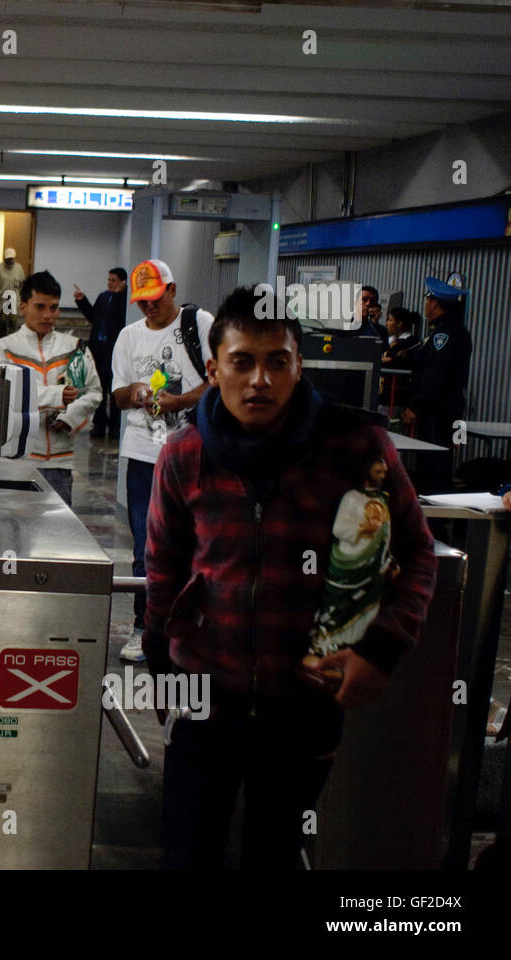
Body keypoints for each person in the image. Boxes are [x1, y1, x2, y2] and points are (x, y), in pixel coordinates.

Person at [145, 285, 436, 869]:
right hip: (206, 700)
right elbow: (161, 568)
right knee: (185, 854)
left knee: (274, 854)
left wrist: (379, 651)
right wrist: (162, 664)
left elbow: (419, 554)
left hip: (303, 706)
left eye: (278, 362)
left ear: (299, 365)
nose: (260, 380)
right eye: (242, 362)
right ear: (213, 368)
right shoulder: (184, 454)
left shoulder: (356, 446)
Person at [110, 259, 214, 663]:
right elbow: (117, 396)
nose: (149, 307)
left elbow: (217, 380)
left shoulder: (199, 323)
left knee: (198, 539)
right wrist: (136, 392)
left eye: (155, 298)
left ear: (171, 289)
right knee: (145, 545)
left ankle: (192, 627)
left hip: (194, 452)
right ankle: (145, 627)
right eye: (142, 302)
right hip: (143, 453)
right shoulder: (128, 337)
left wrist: (180, 401)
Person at [0, 270, 100, 507]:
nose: (48, 315)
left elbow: (93, 391)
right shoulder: (3, 349)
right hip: (15, 461)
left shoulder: (74, 348)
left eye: (54, 308)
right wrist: (58, 395)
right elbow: (8, 396)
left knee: (57, 539)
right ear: (23, 306)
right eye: (40, 307)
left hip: (59, 463)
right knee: (12, 536)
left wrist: (68, 417)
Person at [401, 276, 472, 494]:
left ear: (435, 303)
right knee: (440, 458)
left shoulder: (444, 334)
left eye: (427, 299)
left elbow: (436, 374)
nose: (425, 304)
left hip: (438, 410)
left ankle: (435, 519)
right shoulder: (453, 330)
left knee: (434, 461)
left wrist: (416, 406)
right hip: (447, 407)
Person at [74, 267, 128, 439]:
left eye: (113, 280)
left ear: (122, 282)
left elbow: (122, 317)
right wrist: (82, 301)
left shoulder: (125, 300)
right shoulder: (103, 297)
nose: (110, 283)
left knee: (114, 390)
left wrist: (120, 295)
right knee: (99, 389)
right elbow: (93, 316)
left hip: (114, 351)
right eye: (109, 280)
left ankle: (114, 428)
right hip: (98, 348)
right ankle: (99, 425)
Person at [378, 306, 420, 416]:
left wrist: (382, 359)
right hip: (386, 394)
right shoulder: (393, 341)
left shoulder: (409, 343)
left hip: (396, 397)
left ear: (400, 323)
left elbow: (390, 361)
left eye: (390, 320)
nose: (387, 323)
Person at [0, 248, 26, 340]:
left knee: (13, 326)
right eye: (8, 258)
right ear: (4, 258)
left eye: (11, 258)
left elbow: (22, 285)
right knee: (1, 327)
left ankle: (11, 347)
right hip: (0, 301)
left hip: (14, 301)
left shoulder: (18, 269)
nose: (10, 260)